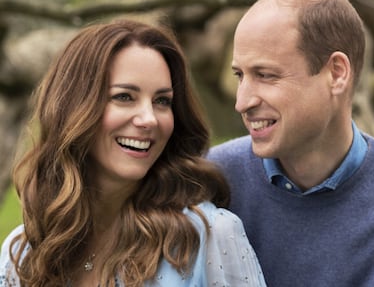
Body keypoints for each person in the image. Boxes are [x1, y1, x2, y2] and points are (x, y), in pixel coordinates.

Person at [0, 19, 266, 287]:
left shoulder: (208, 236)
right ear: (73, 108)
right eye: (124, 97)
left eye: (162, 101)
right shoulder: (23, 253)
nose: (149, 119)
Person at [207, 0, 374, 287]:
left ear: (337, 73)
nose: (242, 102)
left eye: (265, 75)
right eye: (240, 75)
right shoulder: (208, 181)